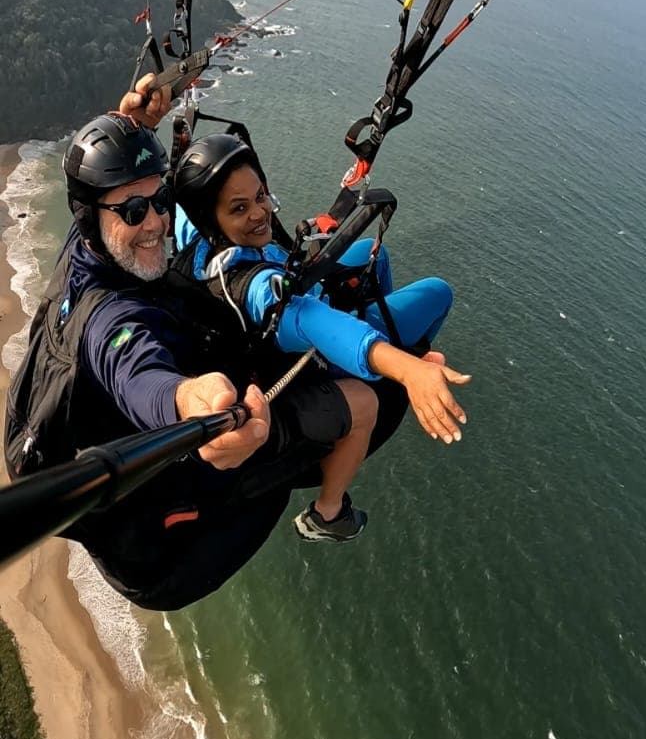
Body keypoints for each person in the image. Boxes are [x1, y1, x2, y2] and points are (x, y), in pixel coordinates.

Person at [4, 107, 468, 611]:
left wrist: (131, 119)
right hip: (166, 547)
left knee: (373, 263)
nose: (155, 220)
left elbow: (129, 191)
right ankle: (328, 513)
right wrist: (187, 400)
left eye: (161, 200)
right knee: (372, 388)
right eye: (134, 212)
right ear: (90, 218)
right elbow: (136, 372)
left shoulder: (98, 239)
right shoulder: (112, 319)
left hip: (230, 334)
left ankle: (400, 352)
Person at [168, 129, 461, 540]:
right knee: (437, 293)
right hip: (312, 352)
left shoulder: (197, 235)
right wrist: (408, 369)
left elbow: (180, 199)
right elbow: (311, 321)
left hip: (299, 316)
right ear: (213, 219)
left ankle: (393, 345)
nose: (259, 213)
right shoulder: (255, 290)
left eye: (259, 197)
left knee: (376, 259)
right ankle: (329, 513)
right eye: (239, 209)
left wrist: (145, 120)